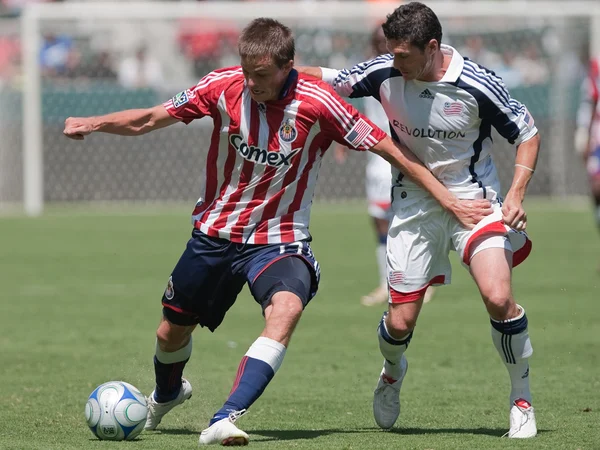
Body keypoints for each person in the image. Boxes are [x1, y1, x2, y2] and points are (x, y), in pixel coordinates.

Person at [63, 17, 491, 446]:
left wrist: (448, 198)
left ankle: (224, 417)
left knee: (286, 309)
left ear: (289, 65)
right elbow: (150, 119)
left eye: (262, 75)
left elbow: (387, 147)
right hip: (215, 234)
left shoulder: (319, 102)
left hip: (281, 240)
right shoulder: (221, 85)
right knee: (170, 332)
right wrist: (95, 123)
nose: (252, 83)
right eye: (247, 72)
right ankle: (168, 393)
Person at [298, 2, 541, 438]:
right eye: (391, 53)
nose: (395, 62)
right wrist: (269, 70)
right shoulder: (384, 71)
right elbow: (327, 76)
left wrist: (518, 193)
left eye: (403, 54)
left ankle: (521, 399)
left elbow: (526, 133)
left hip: (474, 203)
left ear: (431, 47)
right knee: (400, 323)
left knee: (499, 297)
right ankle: (392, 373)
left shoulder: (477, 82)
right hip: (413, 203)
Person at [334, 26, 436, 306]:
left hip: (406, 152)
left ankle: (422, 281)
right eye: (377, 41)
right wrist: (342, 139)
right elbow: (351, 104)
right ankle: (386, 282)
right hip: (376, 156)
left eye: (386, 42)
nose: (383, 46)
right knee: (379, 220)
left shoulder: (409, 71)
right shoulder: (368, 72)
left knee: (412, 217)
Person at [575, 55, 600, 270]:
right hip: (599, 137)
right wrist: (584, 133)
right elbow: (590, 101)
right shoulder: (596, 66)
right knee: (597, 189)